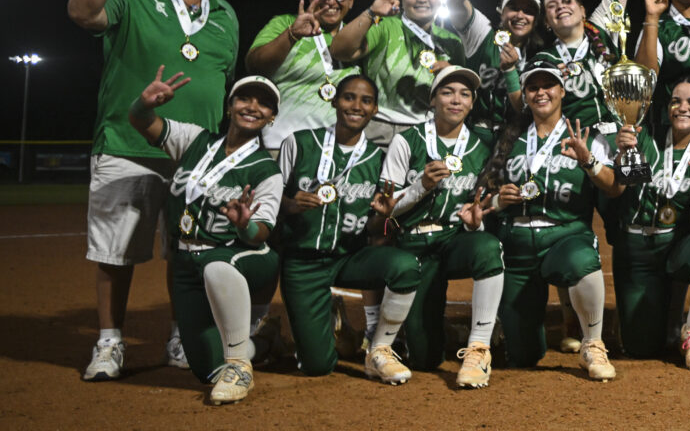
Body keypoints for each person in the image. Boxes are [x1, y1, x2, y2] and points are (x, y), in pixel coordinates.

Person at [68, 0, 240, 381]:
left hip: (194, 157)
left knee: (187, 250)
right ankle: (109, 341)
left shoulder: (224, 13)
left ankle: (181, 335)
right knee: (115, 253)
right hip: (127, 143)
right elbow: (82, 13)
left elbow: (221, 85)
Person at [126, 69, 282, 404]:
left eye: (265, 103)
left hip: (240, 256)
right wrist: (144, 104)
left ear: (272, 117)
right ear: (230, 106)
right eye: (245, 97)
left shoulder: (266, 169)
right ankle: (261, 343)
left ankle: (241, 366)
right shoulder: (195, 139)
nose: (253, 106)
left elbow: (261, 233)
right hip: (186, 259)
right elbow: (141, 121)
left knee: (215, 267)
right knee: (205, 368)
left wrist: (244, 224)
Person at [463, 61, 618, 382]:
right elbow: (484, 198)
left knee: (582, 259)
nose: (541, 92)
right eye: (533, 87)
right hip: (517, 244)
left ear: (562, 91)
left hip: (565, 235)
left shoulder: (583, 135)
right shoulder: (510, 137)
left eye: (549, 85)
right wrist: (498, 200)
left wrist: (587, 160)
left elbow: (614, 186)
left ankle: (593, 343)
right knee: (523, 355)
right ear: (526, 95)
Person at [276, 73, 423, 383]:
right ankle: (328, 320)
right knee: (318, 367)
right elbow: (269, 202)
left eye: (366, 100)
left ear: (374, 109)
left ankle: (379, 348)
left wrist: (384, 215)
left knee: (405, 266)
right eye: (349, 98)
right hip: (303, 262)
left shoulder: (376, 157)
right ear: (334, 101)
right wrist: (289, 204)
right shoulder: (300, 142)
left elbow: (373, 229)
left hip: (349, 257)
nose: (357, 106)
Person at [375, 66, 505, 384]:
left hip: (453, 240)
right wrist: (421, 186)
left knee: (488, 248)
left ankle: (478, 348)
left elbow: (481, 205)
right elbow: (386, 208)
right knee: (425, 359)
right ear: (432, 100)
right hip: (413, 244)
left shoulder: (481, 145)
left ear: (473, 103)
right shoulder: (407, 141)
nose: (456, 100)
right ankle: (440, 330)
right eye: (447, 92)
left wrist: (475, 224)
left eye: (464, 94)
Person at [603, 77, 690, 369]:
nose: (682, 108)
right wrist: (622, 156)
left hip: (675, 246)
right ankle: (649, 316)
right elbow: (620, 190)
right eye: (676, 101)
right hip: (636, 249)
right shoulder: (645, 138)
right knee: (640, 348)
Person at [328, 0, 470, 143]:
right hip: (378, 127)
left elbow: (463, 91)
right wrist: (371, 12)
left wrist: (451, 73)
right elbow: (339, 50)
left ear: (441, 0)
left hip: (427, 131)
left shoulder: (452, 42)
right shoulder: (384, 26)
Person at [246, 0, 362, 149]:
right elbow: (255, 66)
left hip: (336, 150)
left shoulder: (356, 37)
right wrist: (292, 34)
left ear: (351, 0)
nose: (331, 1)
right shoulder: (284, 23)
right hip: (282, 145)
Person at [537, 0, 633, 131]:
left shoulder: (601, 26)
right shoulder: (543, 61)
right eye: (552, 5)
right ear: (547, 22)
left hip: (618, 136)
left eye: (567, 0)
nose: (561, 7)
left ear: (582, 11)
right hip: (575, 143)